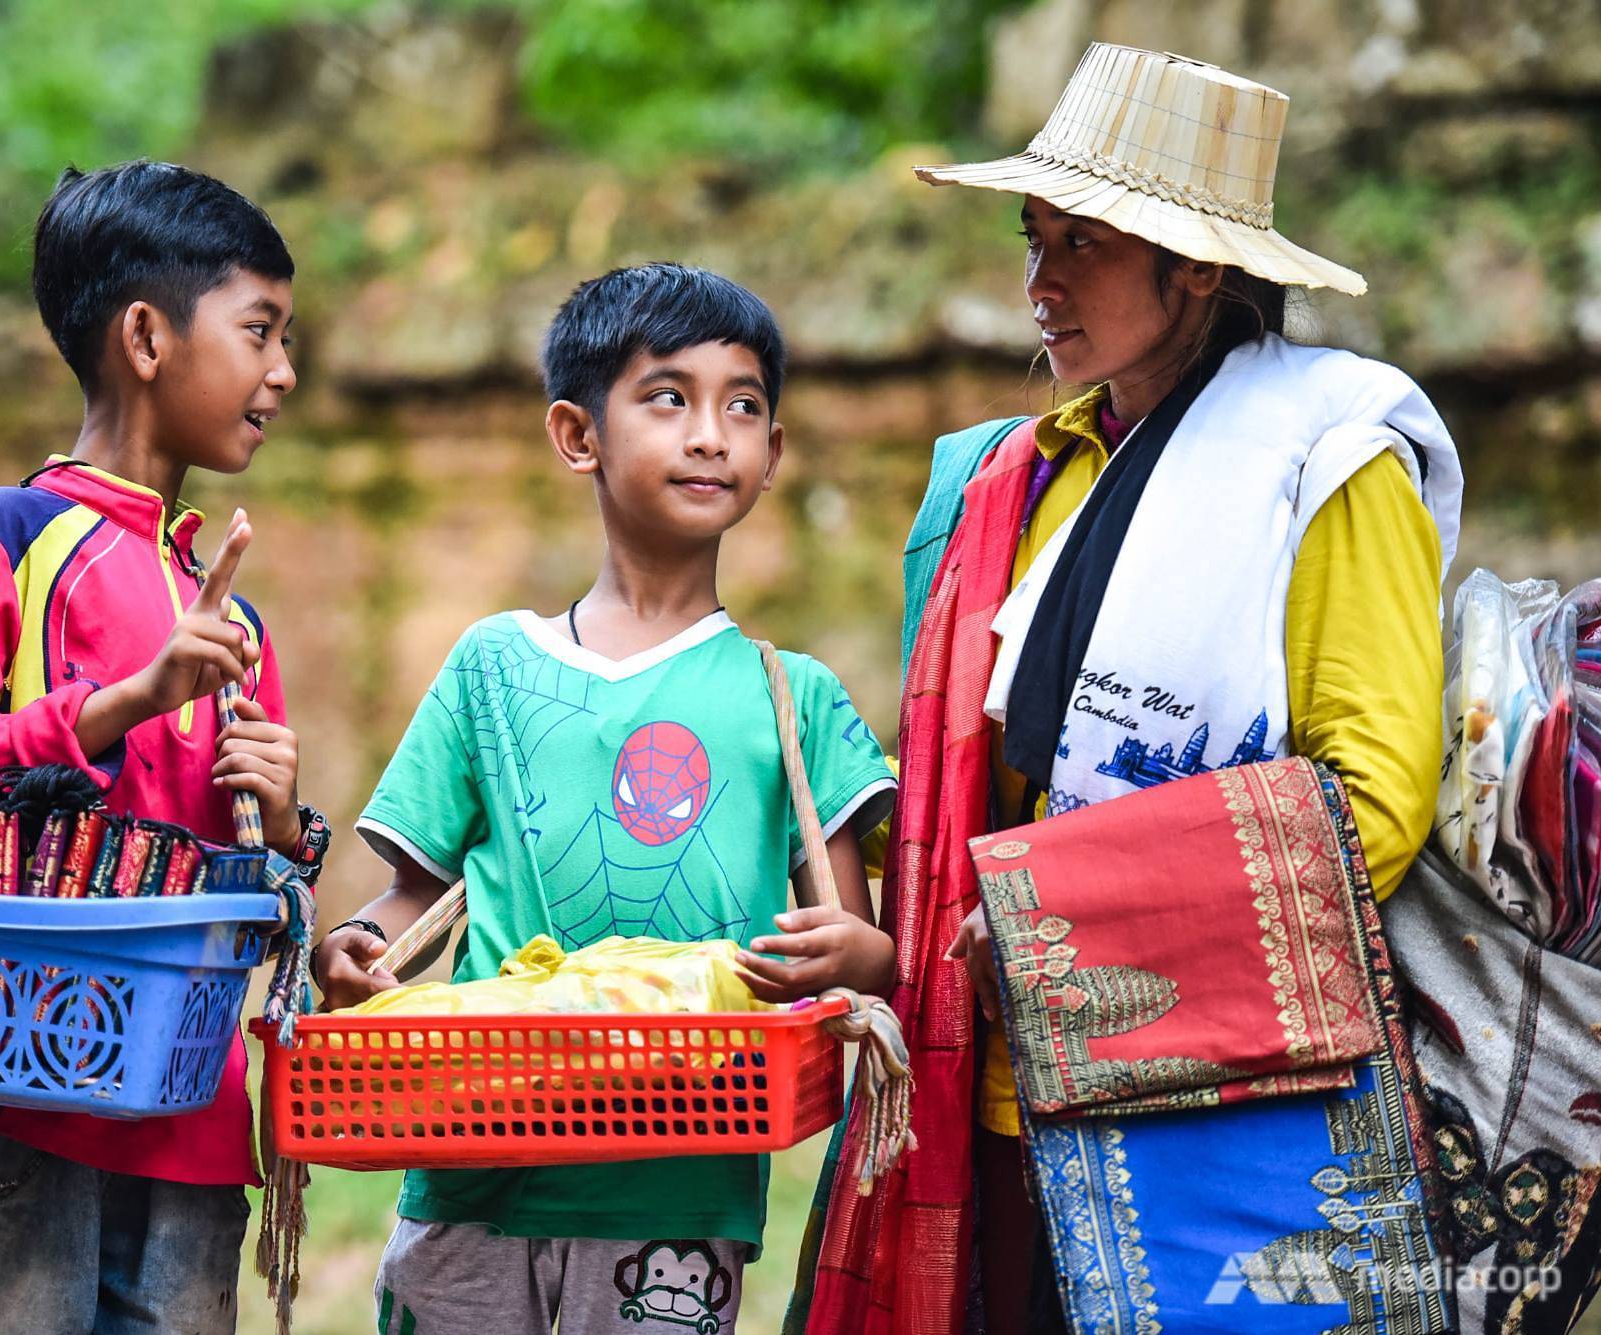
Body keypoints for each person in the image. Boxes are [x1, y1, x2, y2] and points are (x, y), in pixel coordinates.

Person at [792, 44, 1463, 1334]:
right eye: (1031, 240)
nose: (1039, 286)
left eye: (1080, 246)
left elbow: (1369, 806)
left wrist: (1068, 915)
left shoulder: (1327, 467)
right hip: (992, 1076)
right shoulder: (1030, 472)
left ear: (1199, 268)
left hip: (1210, 1103)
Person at [311, 262, 900, 1335]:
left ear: (774, 457)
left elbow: (855, 939)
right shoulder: (491, 666)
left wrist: (863, 962)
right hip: (472, 1170)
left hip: (680, 1192)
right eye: (667, 398)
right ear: (578, 436)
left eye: (745, 406)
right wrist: (355, 947)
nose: (711, 434)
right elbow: (408, 900)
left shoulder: (791, 697)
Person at [0, 159, 309, 1334]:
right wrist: (126, 698)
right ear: (148, 336)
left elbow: (222, 886)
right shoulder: (7, 537)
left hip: (190, 1118)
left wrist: (279, 821)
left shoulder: (226, 607)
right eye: (258, 329)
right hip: (11, 1091)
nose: (283, 372)